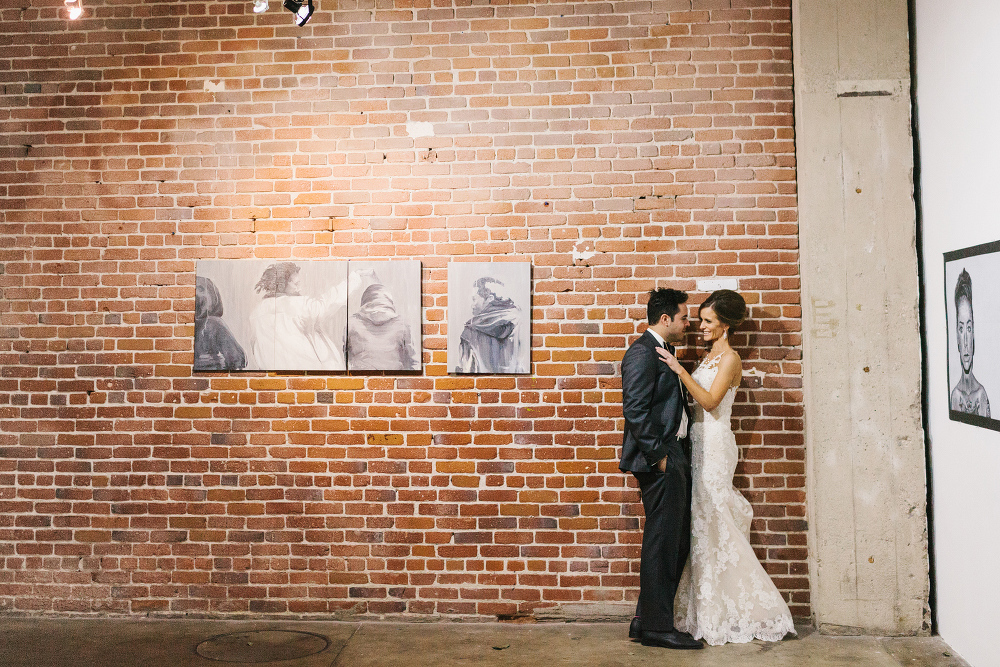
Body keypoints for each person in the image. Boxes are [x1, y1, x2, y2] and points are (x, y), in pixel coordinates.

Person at [657, 289, 795, 646]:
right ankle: (709, 608)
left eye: (707, 321)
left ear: (726, 325)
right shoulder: (709, 357)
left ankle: (751, 610)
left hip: (716, 445)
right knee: (702, 521)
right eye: (700, 320)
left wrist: (678, 370)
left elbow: (710, 400)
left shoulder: (730, 359)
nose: (700, 327)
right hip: (699, 443)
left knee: (716, 516)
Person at [619, 288, 703, 650]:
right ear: (665, 319)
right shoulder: (641, 353)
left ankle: (643, 619)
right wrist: (660, 457)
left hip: (673, 452)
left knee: (670, 539)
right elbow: (635, 409)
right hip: (661, 458)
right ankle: (657, 626)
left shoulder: (663, 351)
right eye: (685, 317)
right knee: (662, 542)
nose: (689, 324)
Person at [249, 262, 349, 371]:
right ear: (282, 285)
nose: (299, 288)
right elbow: (326, 303)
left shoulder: (256, 313)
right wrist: (353, 279)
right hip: (306, 373)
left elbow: (256, 347)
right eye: (296, 284)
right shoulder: (296, 304)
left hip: (274, 376)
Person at [455, 275, 524, 373]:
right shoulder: (518, 323)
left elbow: (466, 369)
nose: (472, 304)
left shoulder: (470, 331)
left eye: (474, 299)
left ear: (490, 298)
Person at [347, 282, 419, 371]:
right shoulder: (402, 325)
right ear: (388, 301)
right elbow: (413, 362)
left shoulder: (352, 323)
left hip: (359, 380)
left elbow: (346, 359)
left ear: (364, 300)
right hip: (395, 379)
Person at [950, 269, 990, 416]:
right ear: (957, 337)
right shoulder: (955, 397)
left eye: (968, 327)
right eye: (961, 329)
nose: (966, 341)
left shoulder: (981, 395)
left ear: (973, 333)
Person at [194, 276, 247, 371]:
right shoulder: (213, 323)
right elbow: (239, 358)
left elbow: (238, 359)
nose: (197, 293)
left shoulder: (212, 324)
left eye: (201, 289)